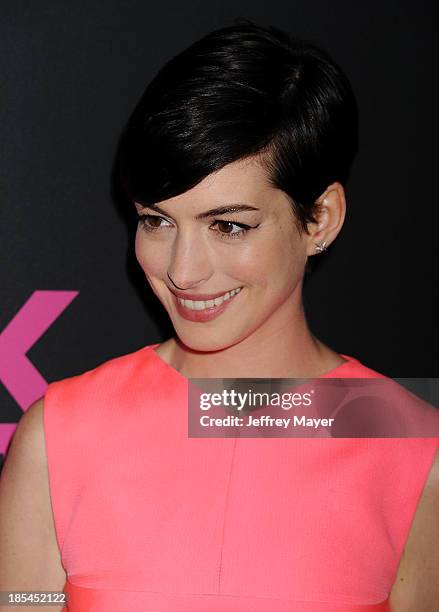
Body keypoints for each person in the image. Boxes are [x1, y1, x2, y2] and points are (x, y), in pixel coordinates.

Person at [1, 20, 438, 612]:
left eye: (229, 225)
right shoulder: (60, 436)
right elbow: (24, 602)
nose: (184, 269)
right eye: (157, 220)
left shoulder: (413, 450)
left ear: (322, 220)